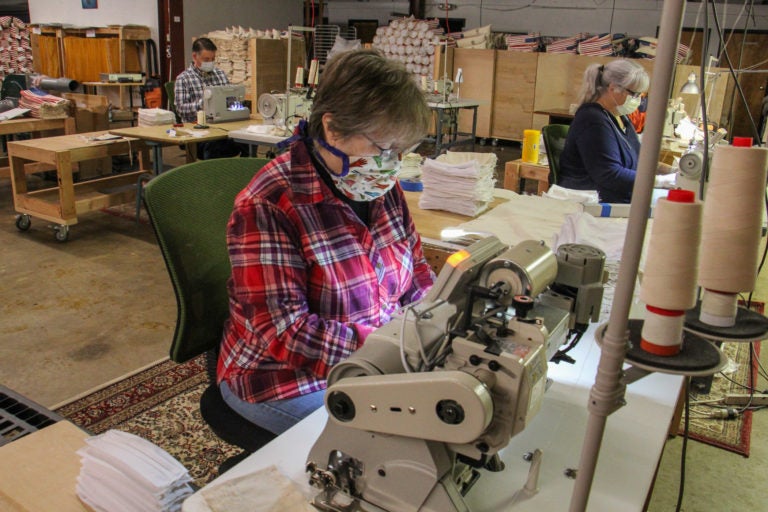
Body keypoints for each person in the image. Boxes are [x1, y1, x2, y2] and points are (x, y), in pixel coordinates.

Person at [216, 49, 436, 435]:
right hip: (282, 379)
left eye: (401, 152)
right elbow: (288, 333)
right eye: (383, 149)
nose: (392, 164)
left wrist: (434, 322)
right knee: (394, 446)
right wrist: (391, 349)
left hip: (372, 362)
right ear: (332, 129)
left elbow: (416, 272)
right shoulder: (268, 204)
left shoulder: (379, 187)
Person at [558, 59, 674, 203]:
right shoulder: (592, 120)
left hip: (620, 194)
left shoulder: (620, 118)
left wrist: (672, 171)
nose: (638, 100)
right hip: (596, 200)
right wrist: (661, 182)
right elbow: (610, 174)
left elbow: (639, 159)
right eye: (635, 94)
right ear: (613, 88)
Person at [174, 37, 244, 158]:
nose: (210, 63)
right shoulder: (184, 79)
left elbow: (230, 99)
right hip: (199, 132)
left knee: (247, 140)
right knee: (213, 147)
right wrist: (205, 104)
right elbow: (181, 109)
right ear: (195, 56)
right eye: (206, 59)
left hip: (223, 126)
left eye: (212, 59)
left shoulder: (220, 74)